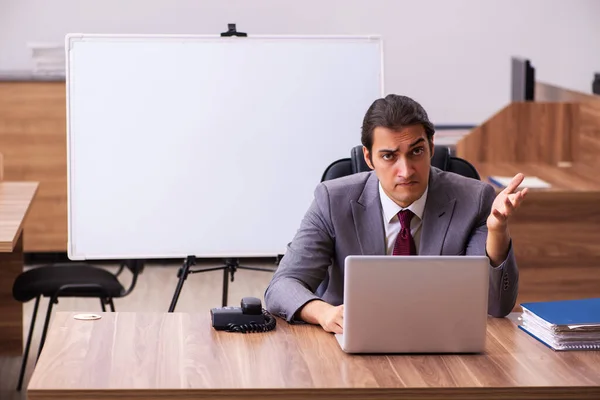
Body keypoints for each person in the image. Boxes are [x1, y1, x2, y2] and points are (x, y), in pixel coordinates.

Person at [264, 94, 527, 334]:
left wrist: (497, 231)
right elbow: (282, 286)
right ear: (368, 158)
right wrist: (325, 313)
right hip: (352, 338)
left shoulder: (475, 199)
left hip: (441, 338)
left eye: (416, 152)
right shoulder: (332, 200)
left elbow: (497, 305)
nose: (406, 171)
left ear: (431, 147)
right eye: (389, 156)